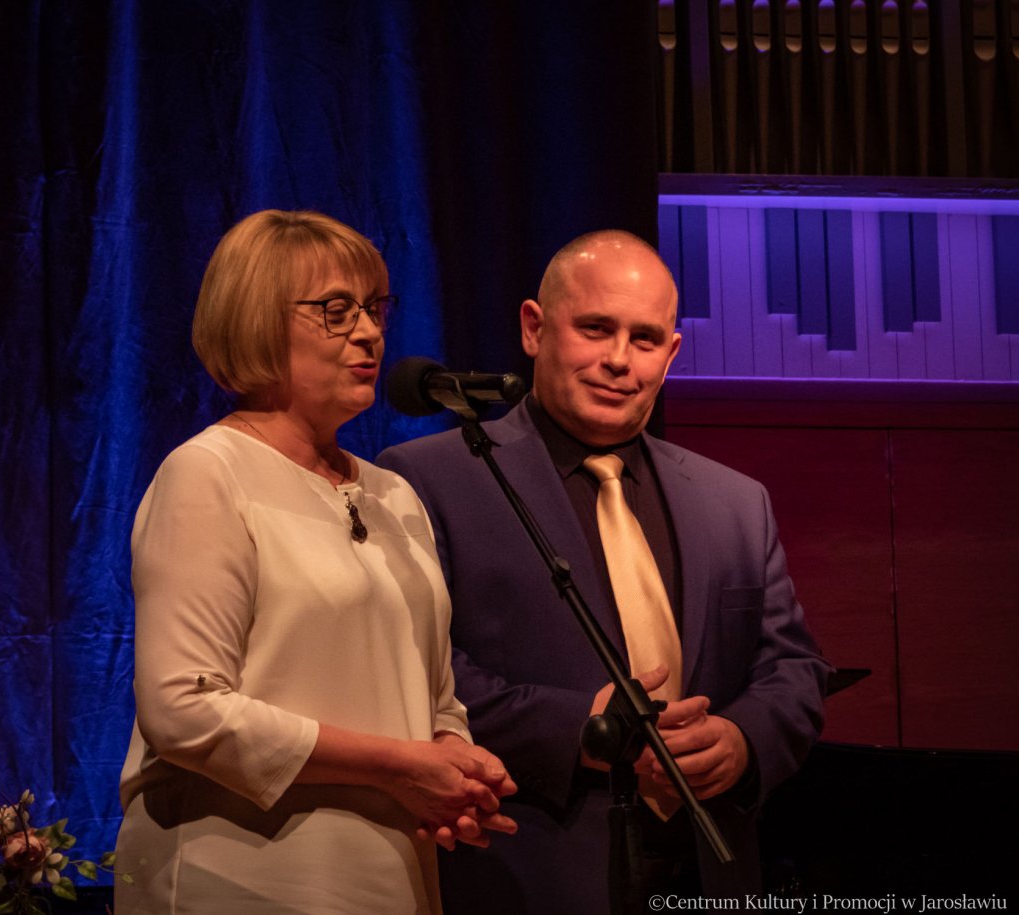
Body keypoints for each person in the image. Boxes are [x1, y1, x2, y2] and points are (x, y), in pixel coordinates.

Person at [378, 230, 830, 911]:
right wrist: (582, 729)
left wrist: (741, 741)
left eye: (645, 339)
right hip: (529, 874)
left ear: (670, 354)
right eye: (595, 328)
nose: (619, 359)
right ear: (534, 329)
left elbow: (794, 668)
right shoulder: (425, 479)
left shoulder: (736, 502)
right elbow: (414, 671)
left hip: (712, 873)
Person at [114, 209, 516, 914]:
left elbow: (431, 694)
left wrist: (453, 761)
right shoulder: (209, 473)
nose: (369, 332)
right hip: (245, 878)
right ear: (256, 320)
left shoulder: (393, 494)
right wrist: (401, 766)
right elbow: (183, 710)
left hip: (388, 873)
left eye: (374, 308)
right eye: (336, 310)